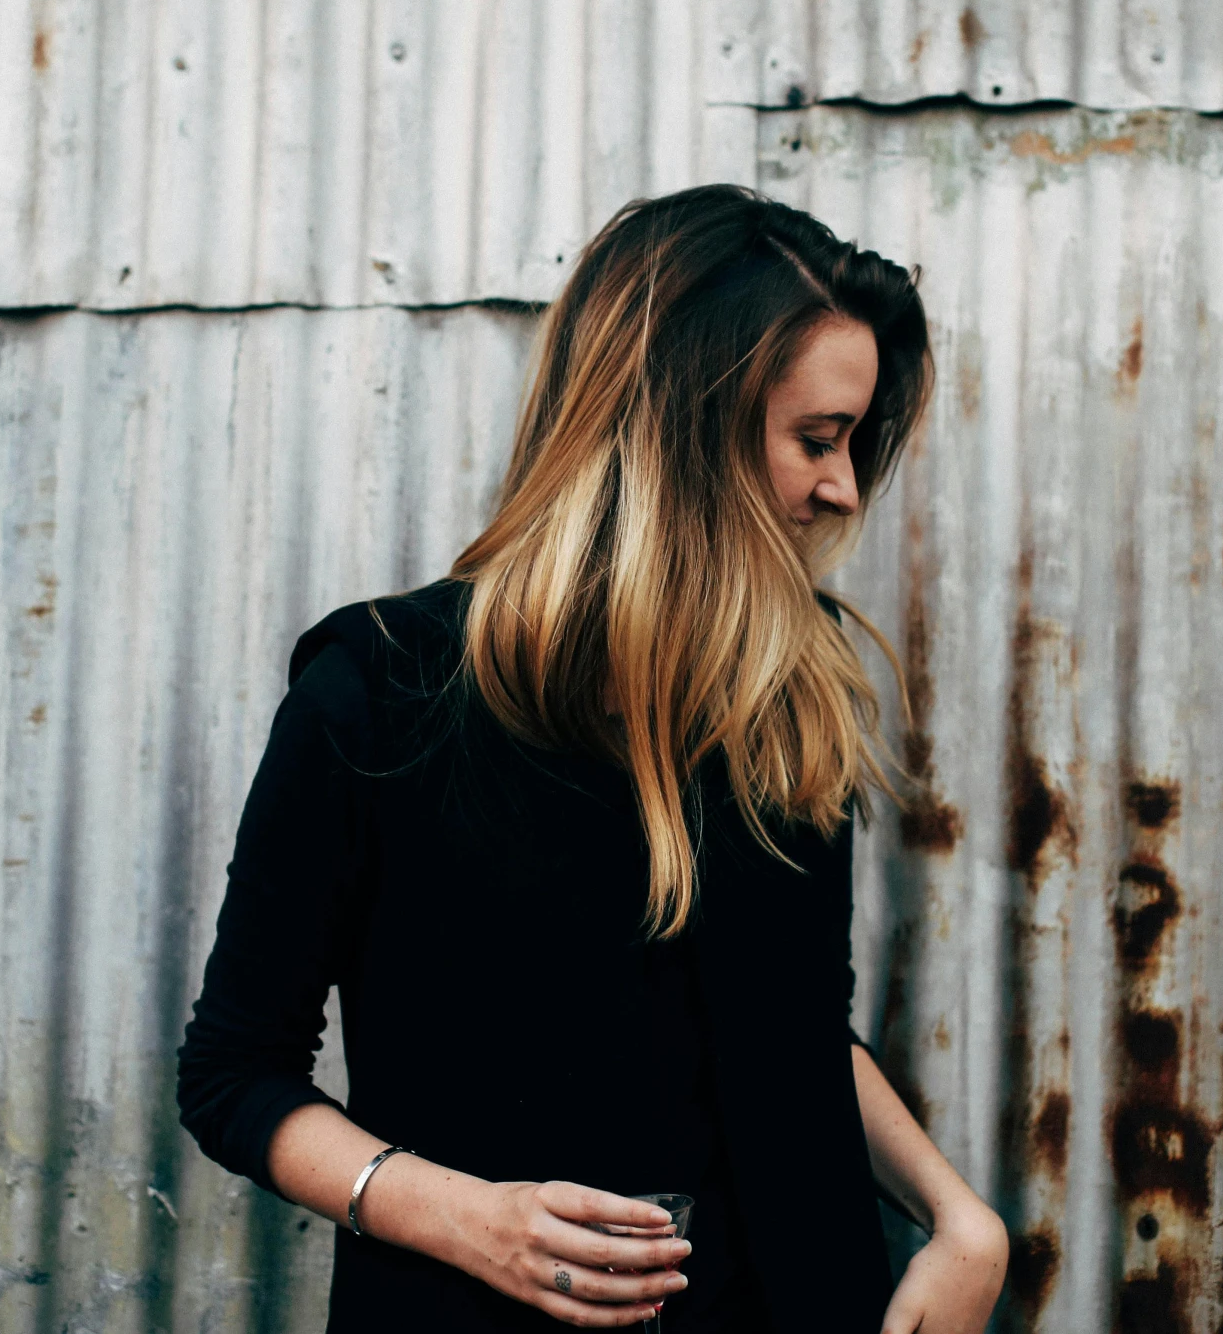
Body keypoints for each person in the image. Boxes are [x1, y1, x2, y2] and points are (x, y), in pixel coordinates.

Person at [178, 185, 1009, 1332]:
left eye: (854, 444)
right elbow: (232, 1075)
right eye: (816, 439)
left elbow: (792, 1029)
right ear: (684, 423)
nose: (842, 488)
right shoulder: (381, 688)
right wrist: (457, 1213)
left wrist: (961, 1216)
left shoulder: (787, 693)